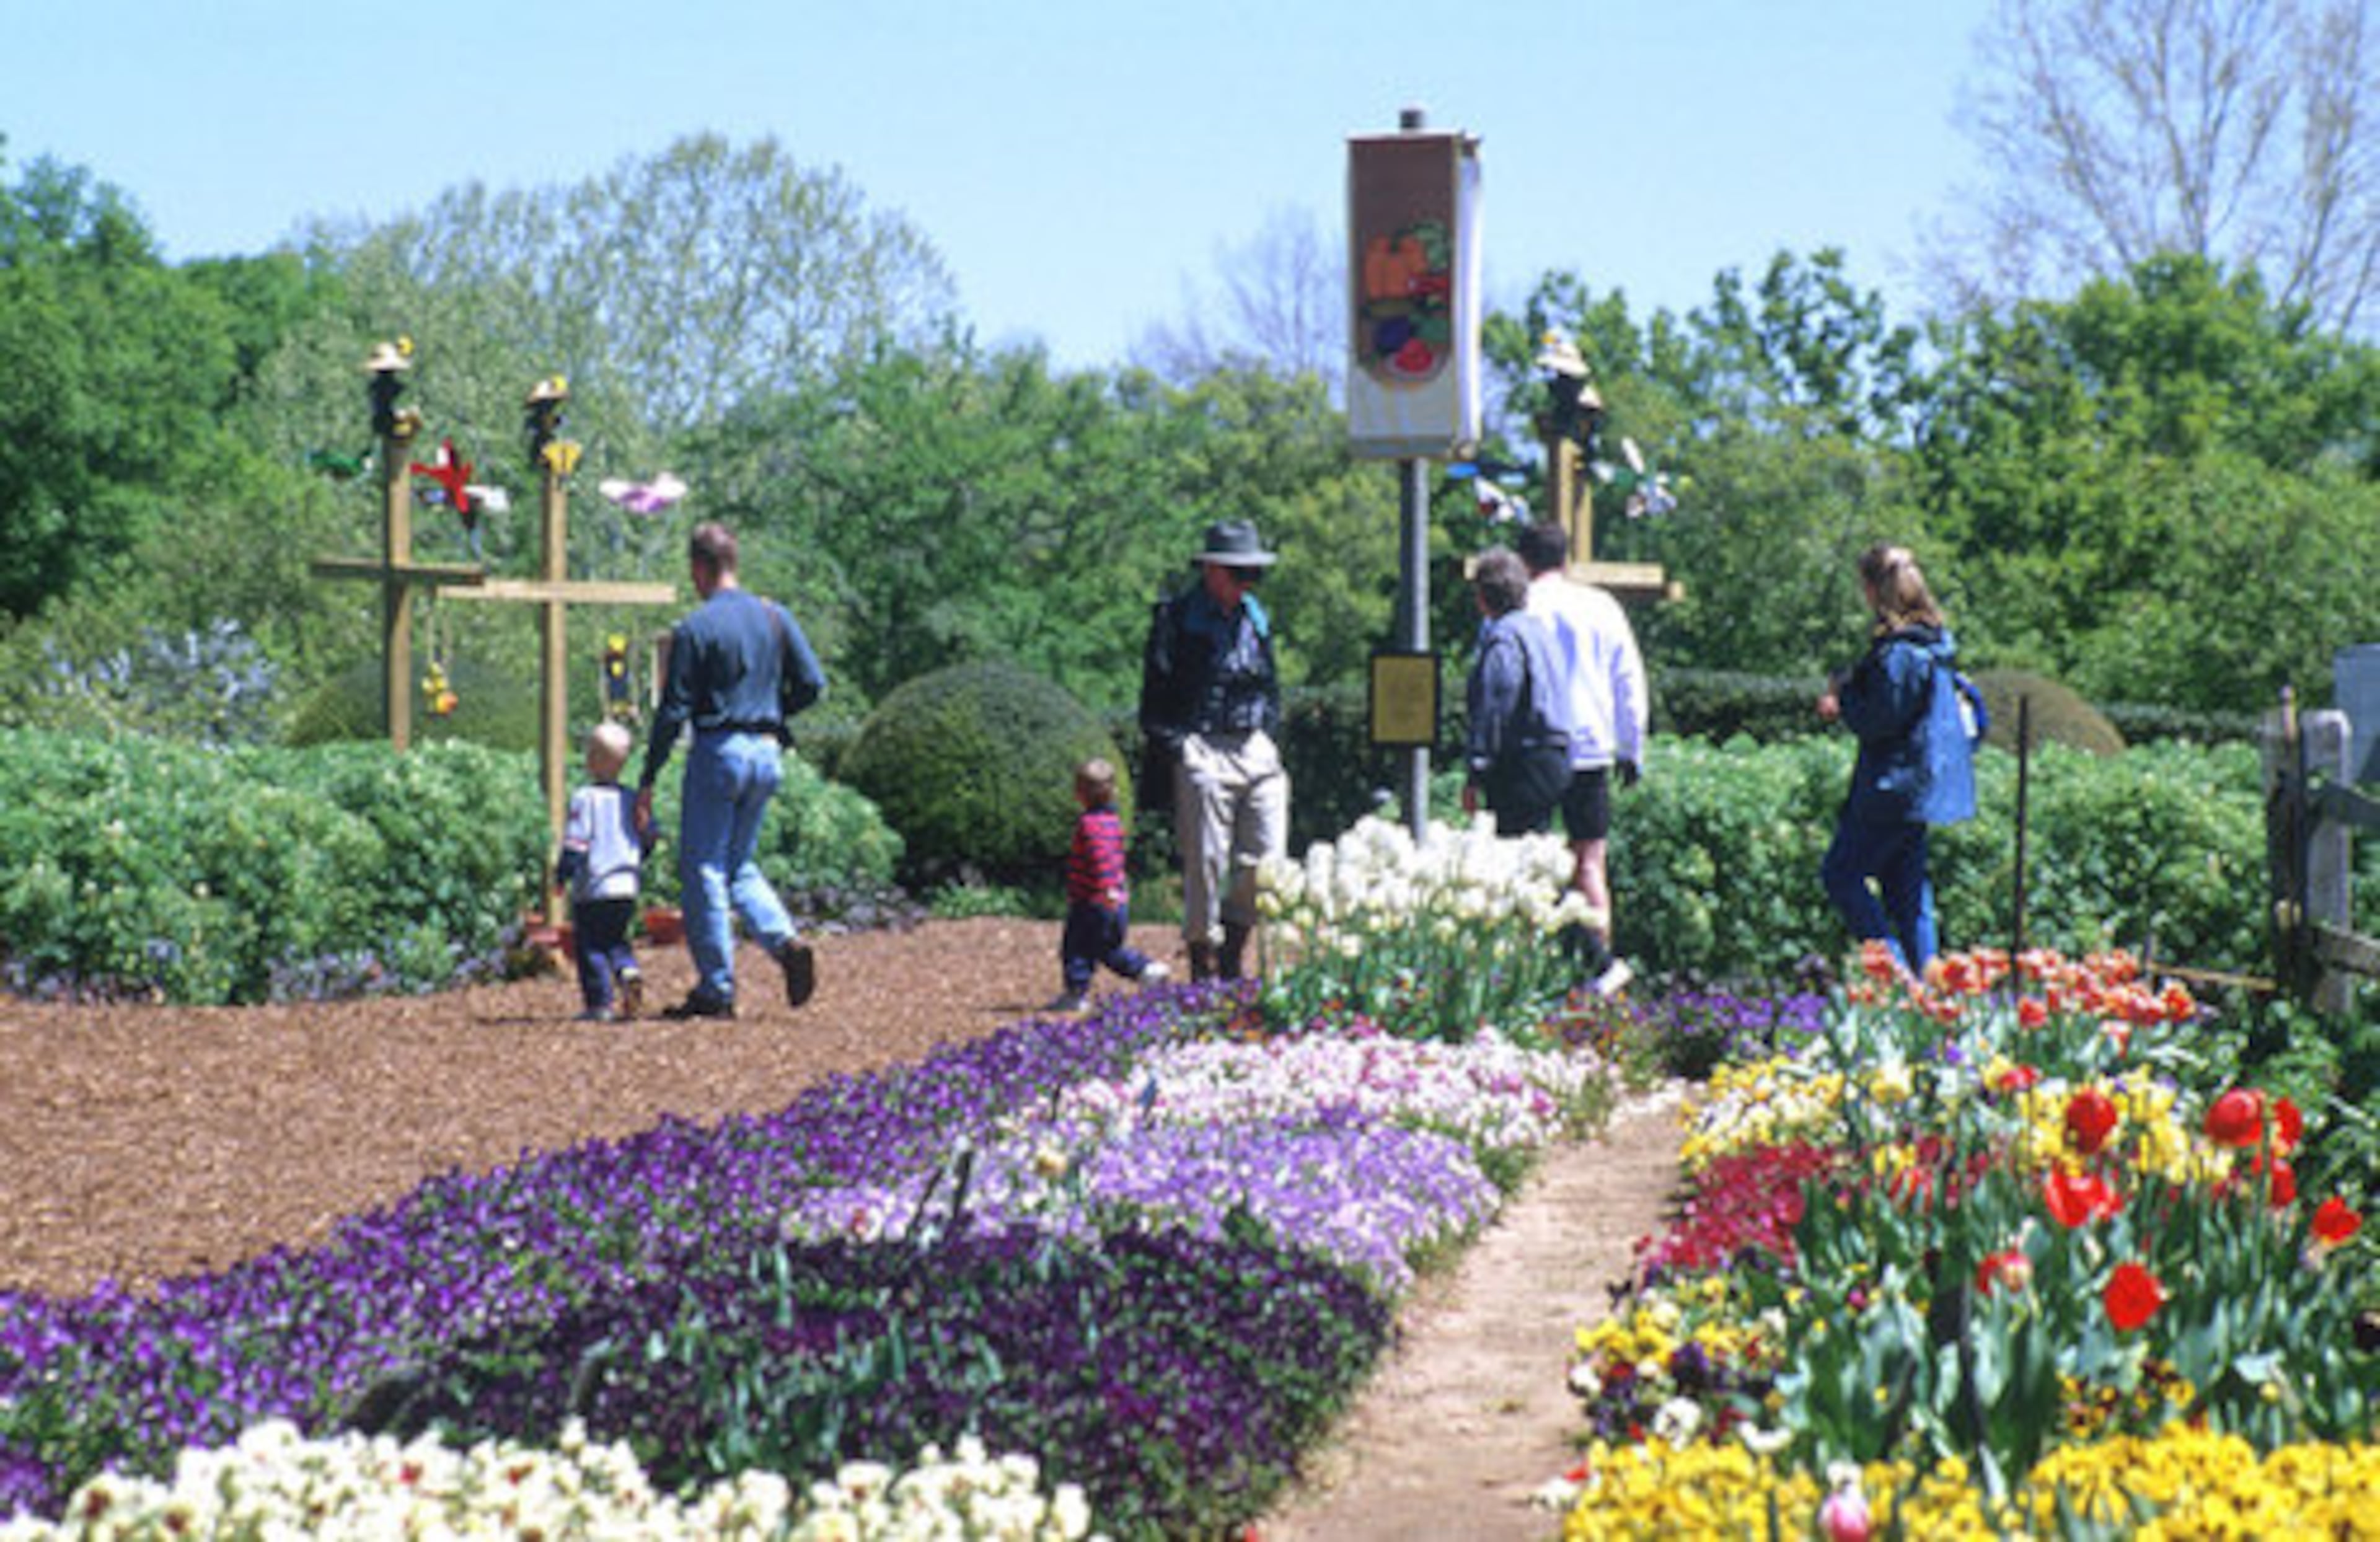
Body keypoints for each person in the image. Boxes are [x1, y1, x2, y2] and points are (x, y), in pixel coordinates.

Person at [634, 521, 829, 1020]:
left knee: (704, 868)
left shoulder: (696, 628)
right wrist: (776, 714)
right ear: (733, 563)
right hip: (766, 752)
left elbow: (673, 711)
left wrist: (648, 777)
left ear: (699, 568)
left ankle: (716, 989)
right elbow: (813, 683)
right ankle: (785, 942)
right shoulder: (775, 616)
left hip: (719, 752)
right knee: (739, 865)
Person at [1817, 542, 1977, 979]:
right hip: (1921, 788)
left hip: (1892, 787)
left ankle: (1895, 975)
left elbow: (1879, 720)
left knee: (1841, 875)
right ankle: (1931, 986)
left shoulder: (1901, 653)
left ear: (1874, 589)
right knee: (1908, 895)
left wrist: (1844, 696)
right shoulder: (1933, 646)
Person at [1139, 518, 1289, 982]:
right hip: (1202, 745)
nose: (1249, 582)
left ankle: (1234, 951)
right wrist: (1181, 747)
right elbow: (1154, 697)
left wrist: (1269, 730)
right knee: (1205, 860)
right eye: (1240, 572)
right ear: (1212, 571)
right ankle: (1203, 963)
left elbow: (1270, 683)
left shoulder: (1256, 617)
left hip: (1254, 745)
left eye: (1254, 573)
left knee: (1266, 860)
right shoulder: (1176, 619)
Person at [1515, 521, 1648, 997]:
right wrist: (1632, 747)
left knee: (1530, 863)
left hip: (1534, 750)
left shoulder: (1520, 606)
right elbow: (1628, 679)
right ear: (1566, 558)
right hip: (1592, 746)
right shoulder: (1601, 606)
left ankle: (1534, 974)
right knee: (1590, 863)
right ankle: (1603, 976)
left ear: (1524, 562)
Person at [1461, 549, 1576, 836]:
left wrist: (1477, 770)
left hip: (1522, 762)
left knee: (1512, 850)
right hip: (1557, 754)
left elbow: (1495, 705)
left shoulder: (1504, 638)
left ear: (1483, 596)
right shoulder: (1541, 633)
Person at [1047, 757, 1171, 1014]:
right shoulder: (1113, 822)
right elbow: (1116, 859)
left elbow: (1100, 859)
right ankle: (1146, 970)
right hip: (1114, 900)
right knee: (1109, 950)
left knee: (1076, 948)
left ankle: (1076, 994)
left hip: (1092, 901)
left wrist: (1106, 889)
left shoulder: (1089, 825)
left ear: (1079, 794)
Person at [555, 721, 648, 1021]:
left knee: (591, 945)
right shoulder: (631, 797)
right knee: (616, 939)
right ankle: (627, 970)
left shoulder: (585, 798)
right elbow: (648, 834)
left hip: (595, 886)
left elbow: (577, 842)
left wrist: (563, 874)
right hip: (627, 884)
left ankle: (600, 1003)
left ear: (593, 759)